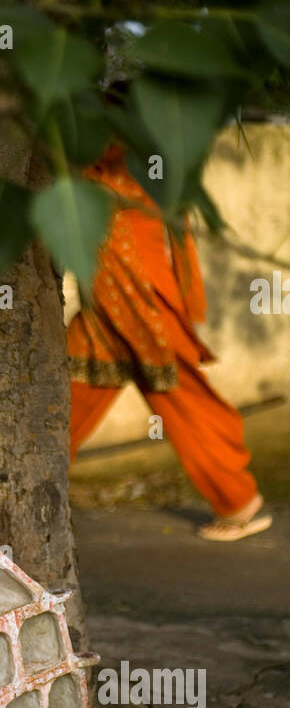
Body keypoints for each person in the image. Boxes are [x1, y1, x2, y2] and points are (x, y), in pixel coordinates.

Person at [67, 143, 272, 541]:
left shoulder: (127, 134)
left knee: (180, 393)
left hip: (137, 289)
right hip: (111, 287)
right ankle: (17, 489)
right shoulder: (115, 124)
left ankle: (237, 498)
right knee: (68, 387)